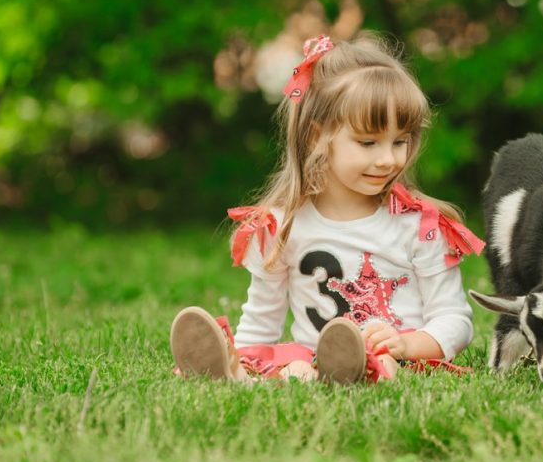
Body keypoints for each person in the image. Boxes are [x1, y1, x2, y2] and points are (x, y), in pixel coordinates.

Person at [170, 31, 484, 386]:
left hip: (399, 360)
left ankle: (350, 372)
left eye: (400, 141)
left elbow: (455, 320)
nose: (387, 159)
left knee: (380, 366)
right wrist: (248, 354)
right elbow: (261, 324)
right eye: (368, 142)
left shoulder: (418, 224)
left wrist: (406, 344)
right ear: (317, 136)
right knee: (298, 365)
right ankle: (233, 371)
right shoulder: (282, 225)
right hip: (315, 358)